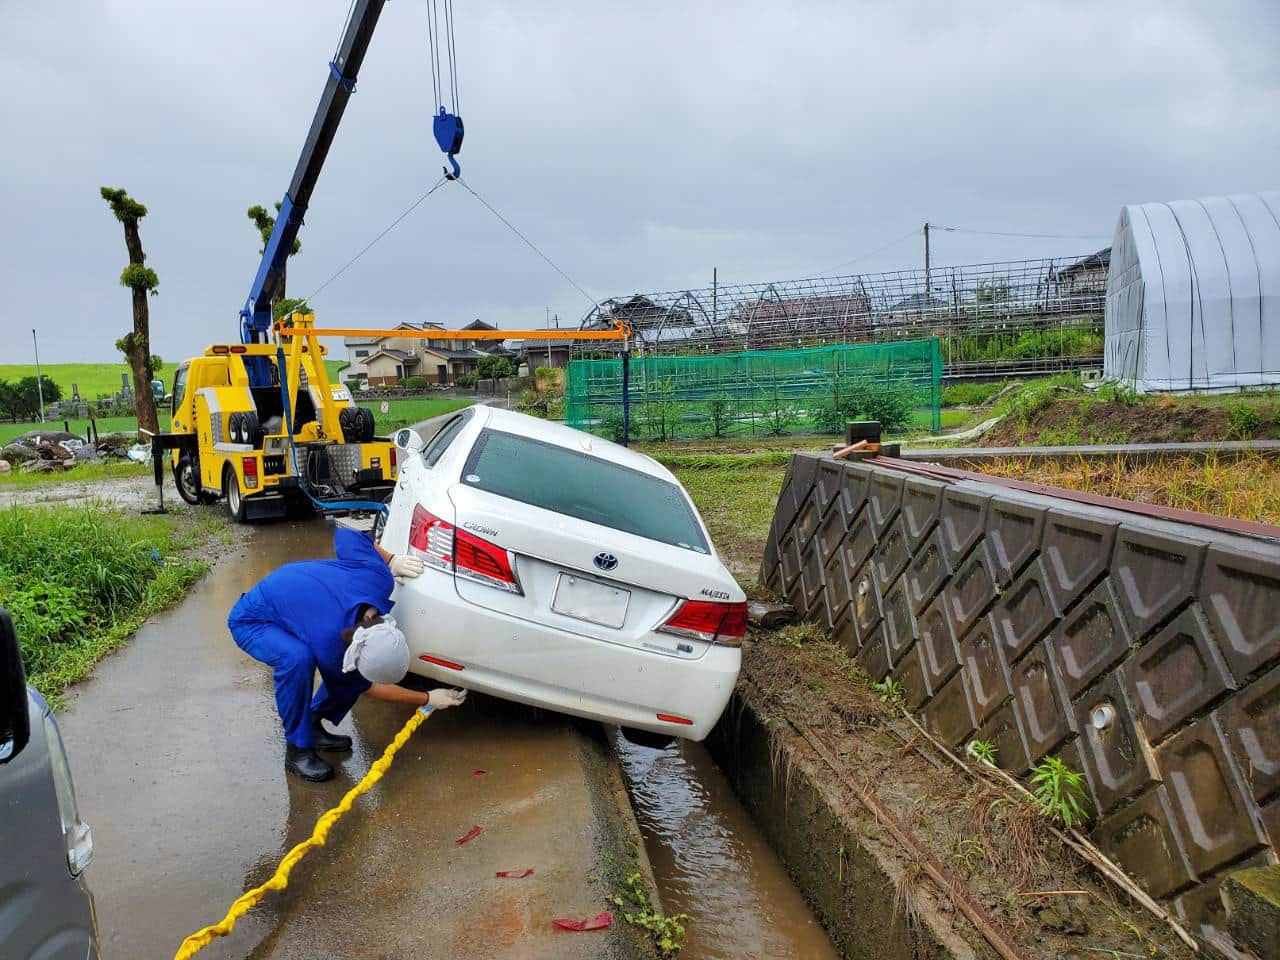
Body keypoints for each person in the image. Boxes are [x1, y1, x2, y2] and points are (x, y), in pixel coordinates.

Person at [228, 526, 467, 782]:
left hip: (293, 599)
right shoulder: (330, 644)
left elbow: (347, 535)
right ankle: (297, 750)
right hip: (255, 619)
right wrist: (427, 697)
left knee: (343, 678)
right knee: (298, 659)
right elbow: (367, 687)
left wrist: (389, 560)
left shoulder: (379, 579)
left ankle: (312, 722)